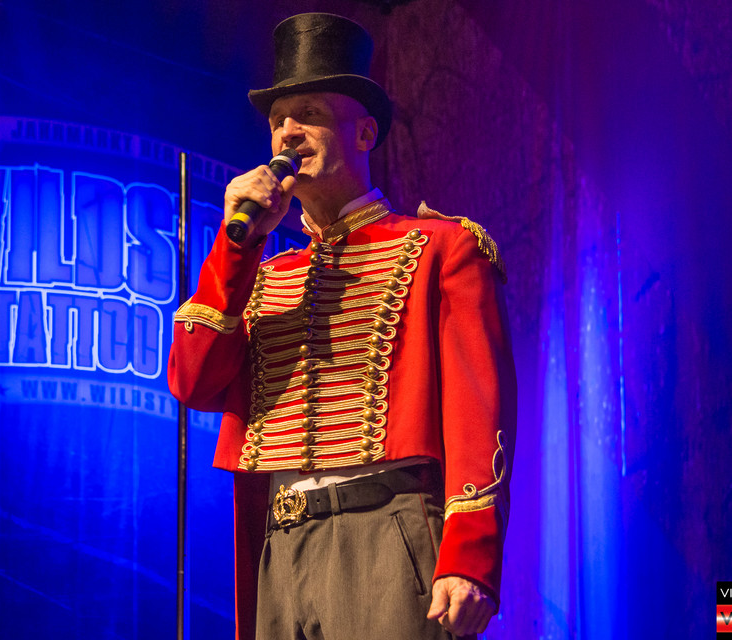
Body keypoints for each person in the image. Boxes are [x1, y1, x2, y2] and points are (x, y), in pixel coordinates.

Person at [168, 12, 517, 640]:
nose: (287, 132)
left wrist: (470, 555)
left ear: (364, 132)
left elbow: (479, 406)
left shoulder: (440, 248)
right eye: (278, 120)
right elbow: (192, 382)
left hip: (385, 529)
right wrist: (235, 245)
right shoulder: (264, 274)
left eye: (308, 113)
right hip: (280, 541)